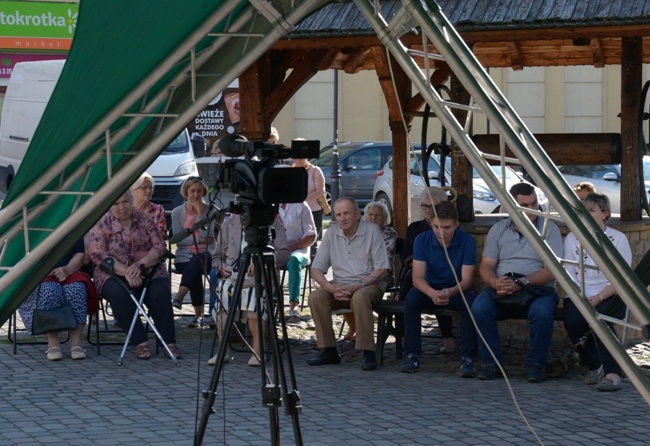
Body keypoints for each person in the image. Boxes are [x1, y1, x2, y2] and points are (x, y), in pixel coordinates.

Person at [471, 183, 563, 382]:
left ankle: (536, 365)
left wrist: (524, 282)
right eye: (525, 205)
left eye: (534, 203)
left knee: (542, 313)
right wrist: (495, 282)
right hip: (503, 289)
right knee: (479, 307)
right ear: (512, 206)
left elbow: (553, 270)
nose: (532, 210)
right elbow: (486, 266)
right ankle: (492, 364)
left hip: (538, 290)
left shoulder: (550, 229)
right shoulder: (498, 229)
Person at [87, 191, 179, 360]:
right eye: (116, 204)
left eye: (125, 202)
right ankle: (140, 342)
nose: (122, 207)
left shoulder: (143, 218)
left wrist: (140, 265)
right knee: (119, 295)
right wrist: (127, 272)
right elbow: (97, 254)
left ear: (132, 201)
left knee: (160, 291)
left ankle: (168, 341)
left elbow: (159, 247)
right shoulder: (102, 224)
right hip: (113, 273)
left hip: (148, 268)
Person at [307, 197, 390, 371]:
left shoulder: (372, 230)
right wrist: (330, 287)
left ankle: (368, 352)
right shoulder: (332, 233)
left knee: (360, 298)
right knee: (316, 297)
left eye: (346, 213)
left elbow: (381, 269)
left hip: (369, 284)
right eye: (338, 215)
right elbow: (316, 269)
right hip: (339, 285)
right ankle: (328, 350)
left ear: (358, 214)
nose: (342, 218)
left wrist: (358, 285)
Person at [400, 202, 479, 376]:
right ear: (431, 224)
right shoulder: (422, 240)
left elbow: (467, 279)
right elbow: (417, 278)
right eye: (436, 227)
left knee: (471, 302)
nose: (441, 232)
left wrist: (450, 292)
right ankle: (412, 355)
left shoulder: (467, 241)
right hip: (430, 289)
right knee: (411, 299)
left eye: (446, 227)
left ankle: (467, 358)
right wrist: (432, 293)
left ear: (456, 224)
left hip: (457, 289)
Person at [563, 193, 631, 391]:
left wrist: (600, 296)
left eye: (591, 210)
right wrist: (580, 295)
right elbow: (568, 270)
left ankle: (613, 374)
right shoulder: (572, 237)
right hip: (579, 293)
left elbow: (621, 276)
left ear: (605, 214)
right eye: (583, 210)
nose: (585, 214)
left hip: (610, 292)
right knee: (573, 322)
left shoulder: (618, 239)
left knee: (603, 322)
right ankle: (595, 365)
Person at [209, 211, 290, 366]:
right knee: (223, 297)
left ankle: (257, 352)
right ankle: (222, 351)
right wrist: (221, 267)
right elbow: (217, 257)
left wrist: (263, 260)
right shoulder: (228, 224)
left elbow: (285, 254)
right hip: (233, 277)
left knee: (253, 296)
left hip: (261, 277)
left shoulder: (272, 223)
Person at [18, 239, 97, 361]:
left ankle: (76, 343)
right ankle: (53, 343)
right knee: (49, 291)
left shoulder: (72, 225)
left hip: (70, 271)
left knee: (78, 289)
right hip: (40, 274)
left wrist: (67, 269)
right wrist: (42, 270)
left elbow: (79, 255)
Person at [400, 186, 456, 353]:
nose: (427, 210)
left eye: (431, 207)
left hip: (440, 274)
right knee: (408, 287)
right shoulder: (414, 228)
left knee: (440, 287)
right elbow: (405, 255)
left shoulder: (447, 229)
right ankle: (404, 337)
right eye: (424, 206)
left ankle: (447, 338)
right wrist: (416, 265)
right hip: (416, 273)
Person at [342, 201, 397, 342]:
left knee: (359, 295)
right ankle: (354, 326)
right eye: (370, 215)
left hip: (380, 276)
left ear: (385, 219)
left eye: (377, 216)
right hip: (355, 274)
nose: (373, 218)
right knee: (338, 291)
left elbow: (381, 259)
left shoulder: (389, 234)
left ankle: (362, 335)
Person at [171, 177, 216, 327]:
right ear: (186, 192)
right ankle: (199, 316)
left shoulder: (211, 211)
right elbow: (178, 239)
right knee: (195, 267)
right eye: (192, 191)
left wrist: (202, 214)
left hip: (208, 255)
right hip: (184, 256)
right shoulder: (177, 212)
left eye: (199, 191)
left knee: (199, 260)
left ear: (203, 192)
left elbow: (210, 238)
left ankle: (180, 296)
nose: (195, 194)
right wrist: (199, 240)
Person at [278, 200, 317, 317]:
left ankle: (293, 305)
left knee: (294, 260)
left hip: (299, 248)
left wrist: (293, 247)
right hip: (277, 249)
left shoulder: (301, 205)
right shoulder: (272, 205)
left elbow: (311, 235)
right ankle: (270, 300)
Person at [292, 156, 326, 245]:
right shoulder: (291, 171)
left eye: (301, 158)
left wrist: (303, 198)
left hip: (313, 211)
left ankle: (313, 258)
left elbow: (321, 190)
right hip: (295, 212)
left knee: (312, 243)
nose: (298, 160)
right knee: (296, 241)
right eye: (295, 158)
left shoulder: (315, 170)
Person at [131, 172, 167, 241]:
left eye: (150, 187)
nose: (149, 191)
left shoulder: (158, 210)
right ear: (133, 189)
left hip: (154, 248)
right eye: (144, 188)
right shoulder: (126, 210)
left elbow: (162, 234)